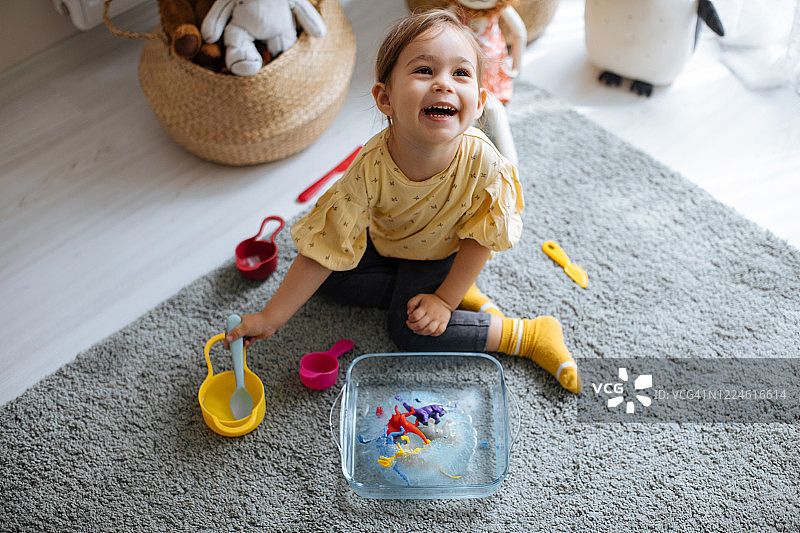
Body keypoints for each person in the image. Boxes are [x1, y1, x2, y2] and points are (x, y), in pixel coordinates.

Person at [225, 9, 582, 393]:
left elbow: (482, 238)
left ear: (479, 103)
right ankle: (461, 292)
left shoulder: (484, 163)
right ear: (386, 98)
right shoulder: (369, 166)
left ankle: (525, 334)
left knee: (408, 330)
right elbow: (325, 246)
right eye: (424, 70)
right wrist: (271, 317)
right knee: (328, 280)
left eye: (460, 73)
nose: (444, 84)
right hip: (388, 241)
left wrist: (445, 300)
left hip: (441, 252)